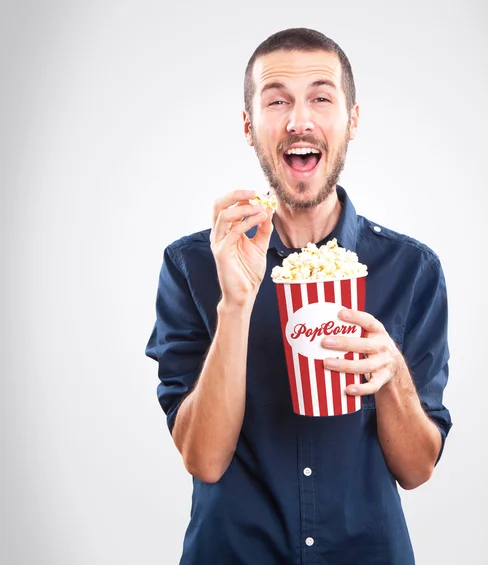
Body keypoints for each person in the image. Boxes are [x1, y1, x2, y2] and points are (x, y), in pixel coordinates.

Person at [145, 27, 452, 565]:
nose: (299, 120)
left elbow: (417, 469)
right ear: (249, 126)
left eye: (321, 97)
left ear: (352, 119)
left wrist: (392, 374)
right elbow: (204, 458)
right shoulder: (194, 264)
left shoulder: (411, 270)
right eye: (277, 100)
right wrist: (235, 305)